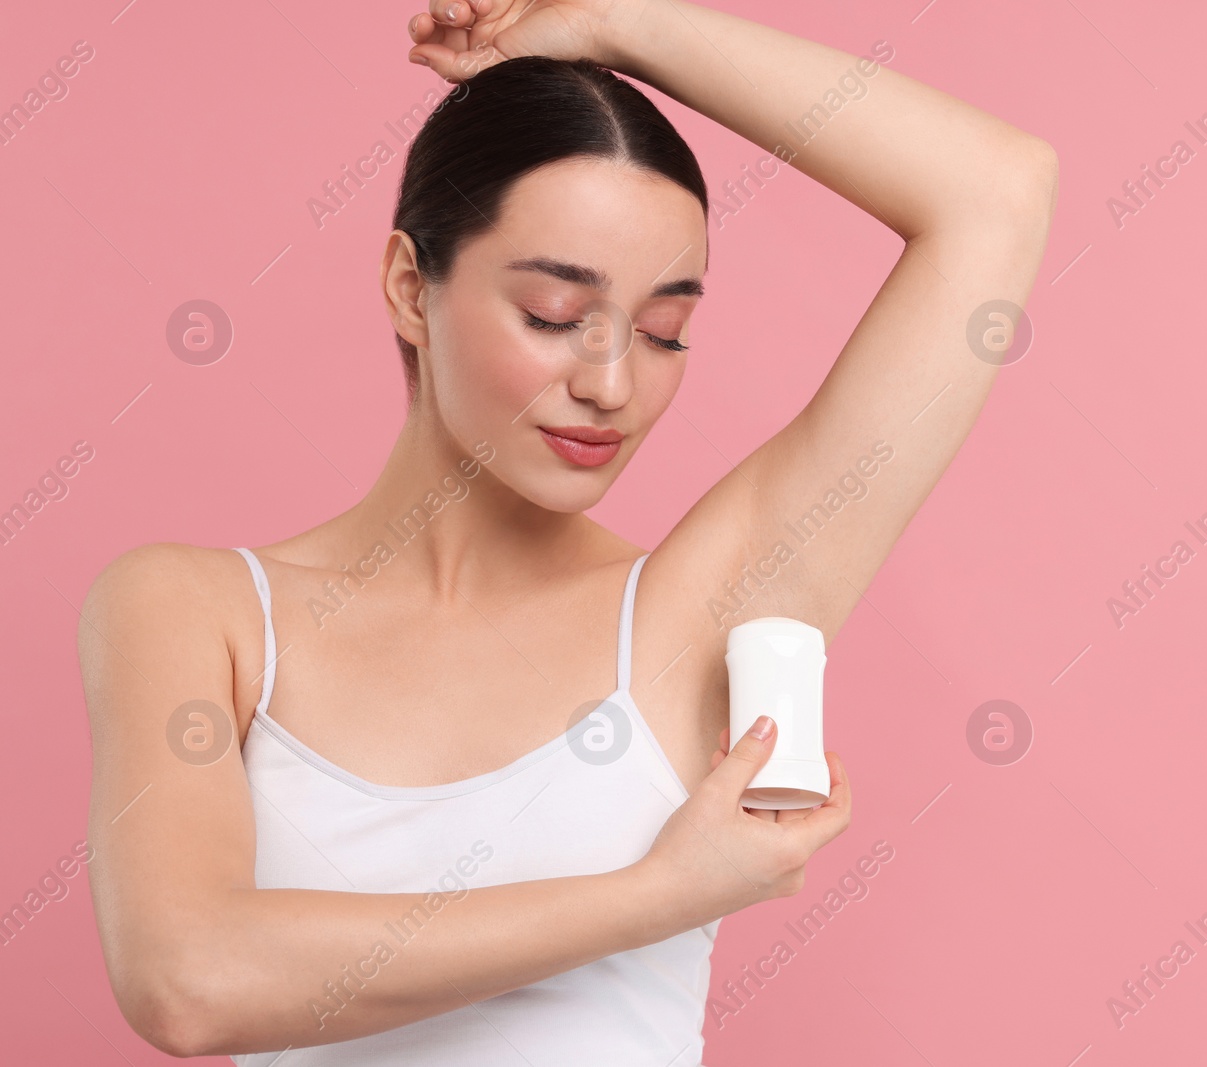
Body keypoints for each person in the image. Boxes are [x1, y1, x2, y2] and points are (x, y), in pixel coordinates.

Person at [76, 0, 1057, 1061]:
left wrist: (619, 24)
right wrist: (658, 894)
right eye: (551, 313)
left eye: (663, 330)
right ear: (412, 286)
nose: (611, 382)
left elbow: (994, 194)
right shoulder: (197, 610)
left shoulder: (700, 609)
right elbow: (189, 979)